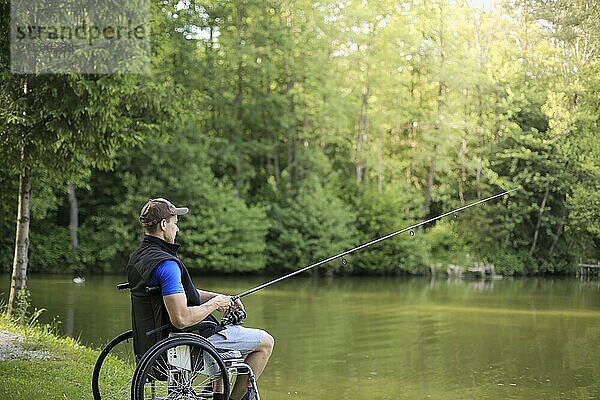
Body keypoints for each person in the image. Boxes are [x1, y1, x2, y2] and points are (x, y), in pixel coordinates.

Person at [126, 198, 274, 400]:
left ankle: (217, 393)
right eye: (175, 223)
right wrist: (214, 304)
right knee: (266, 342)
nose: (177, 229)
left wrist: (219, 297)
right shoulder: (167, 265)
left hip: (154, 336)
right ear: (163, 225)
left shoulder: (139, 257)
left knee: (226, 337)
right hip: (184, 338)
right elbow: (181, 319)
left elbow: (177, 295)